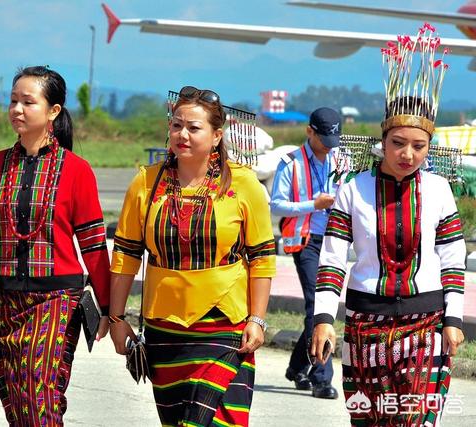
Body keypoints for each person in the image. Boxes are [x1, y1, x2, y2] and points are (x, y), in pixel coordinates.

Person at [312, 26, 466, 426]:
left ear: (429, 147)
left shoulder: (438, 190)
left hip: (426, 323)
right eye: (399, 142)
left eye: (419, 146)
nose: (408, 153)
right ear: (383, 139)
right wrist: (324, 318)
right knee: (371, 420)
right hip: (365, 325)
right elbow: (331, 260)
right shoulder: (353, 190)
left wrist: (453, 319)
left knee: (416, 420)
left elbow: (452, 260)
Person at [109, 86, 276, 426]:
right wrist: (116, 318)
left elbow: (262, 257)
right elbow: (126, 253)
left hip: (224, 324)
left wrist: (257, 320)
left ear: (217, 136)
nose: (181, 134)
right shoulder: (145, 183)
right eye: (175, 125)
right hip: (164, 326)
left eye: (193, 128)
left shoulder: (244, 184)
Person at [0, 66, 111, 426]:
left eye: (27, 102)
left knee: (38, 398)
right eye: (13, 100)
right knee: (17, 407)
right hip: (1, 302)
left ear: (53, 111)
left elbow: (93, 246)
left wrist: (110, 307)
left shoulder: (77, 170)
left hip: (55, 303)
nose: (16, 108)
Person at [269, 107, 341, 399]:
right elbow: (276, 205)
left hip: (335, 241)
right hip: (305, 241)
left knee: (320, 308)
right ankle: (322, 378)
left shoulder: (341, 158)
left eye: (333, 139)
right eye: (323, 138)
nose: (328, 145)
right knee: (317, 304)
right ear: (309, 131)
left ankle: (298, 367)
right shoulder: (291, 163)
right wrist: (314, 204)